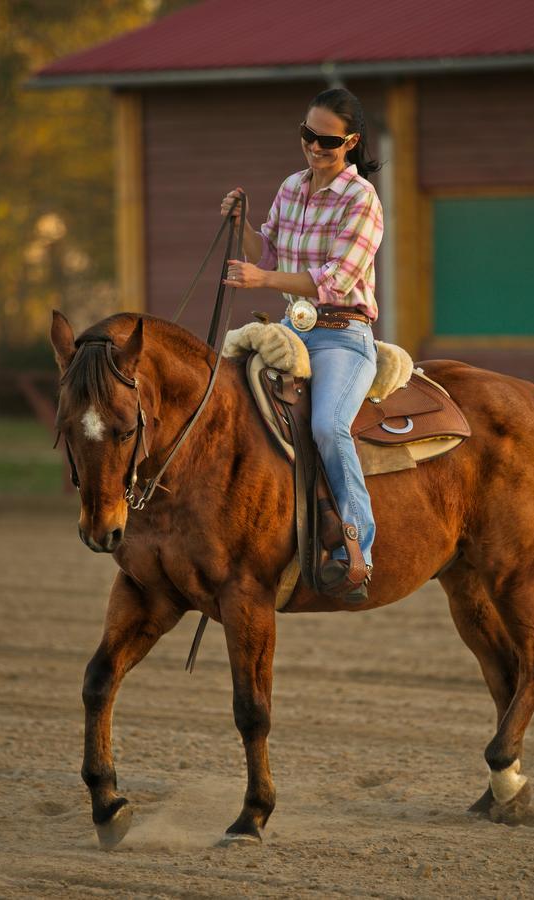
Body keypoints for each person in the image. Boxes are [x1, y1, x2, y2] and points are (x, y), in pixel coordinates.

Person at [221, 88, 383, 601]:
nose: (314, 147)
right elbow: (266, 250)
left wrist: (261, 281)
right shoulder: (292, 187)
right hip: (291, 330)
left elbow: (335, 279)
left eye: (328, 140)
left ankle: (358, 550)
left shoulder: (363, 201)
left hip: (342, 335)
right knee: (223, 399)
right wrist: (241, 224)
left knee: (328, 426)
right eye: (307, 135)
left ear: (351, 142)